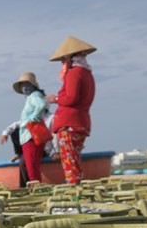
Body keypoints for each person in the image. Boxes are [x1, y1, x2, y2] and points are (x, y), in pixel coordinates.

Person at [46, 35, 97, 185]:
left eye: (63, 60)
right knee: (74, 160)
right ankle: (77, 191)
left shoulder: (74, 73)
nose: (62, 63)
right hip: (81, 121)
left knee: (70, 162)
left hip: (70, 123)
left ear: (69, 57)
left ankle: (75, 194)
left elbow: (71, 98)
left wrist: (54, 99)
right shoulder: (87, 73)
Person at [13, 72, 50, 183]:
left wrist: (32, 119)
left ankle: (35, 188)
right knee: (31, 166)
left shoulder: (34, 96)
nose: (24, 87)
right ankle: (36, 186)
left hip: (30, 136)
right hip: (30, 136)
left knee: (31, 167)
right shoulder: (31, 98)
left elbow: (41, 105)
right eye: (22, 85)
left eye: (26, 84)